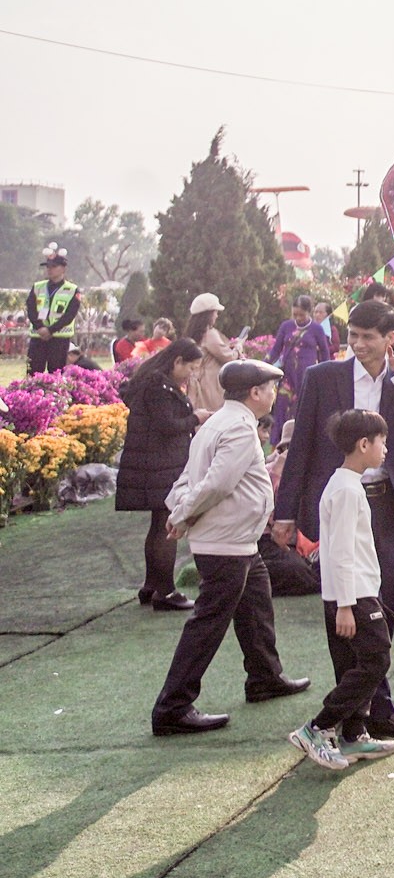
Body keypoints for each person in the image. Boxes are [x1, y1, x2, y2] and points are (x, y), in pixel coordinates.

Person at [273, 298, 394, 740]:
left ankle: (376, 711)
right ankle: (354, 717)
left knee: (381, 606)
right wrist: (285, 513)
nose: (359, 346)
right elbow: (302, 448)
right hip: (340, 503)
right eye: (353, 337)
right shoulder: (322, 377)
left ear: (391, 340)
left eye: (369, 338)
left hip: (386, 503)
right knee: (347, 611)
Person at [152, 360, 310, 736]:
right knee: (209, 621)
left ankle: (264, 676)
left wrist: (180, 511)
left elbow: (192, 478)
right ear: (254, 393)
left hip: (235, 539)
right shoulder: (238, 429)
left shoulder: (219, 423)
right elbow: (216, 484)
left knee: (255, 599)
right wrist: (182, 514)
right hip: (226, 540)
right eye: (271, 388)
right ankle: (172, 706)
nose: (275, 394)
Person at [288, 409, 394, 771]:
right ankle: (318, 727)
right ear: (363, 444)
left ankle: (353, 735)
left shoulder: (343, 484)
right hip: (353, 596)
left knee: (352, 664)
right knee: (376, 659)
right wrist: (347, 606)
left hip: (349, 594)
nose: (385, 448)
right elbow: (339, 553)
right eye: (381, 441)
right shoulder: (348, 490)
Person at [115, 338, 205, 611]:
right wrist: (196, 418)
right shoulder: (159, 387)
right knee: (167, 526)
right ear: (177, 361)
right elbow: (168, 425)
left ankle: (152, 585)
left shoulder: (151, 382)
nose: (192, 373)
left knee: (158, 525)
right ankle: (165, 591)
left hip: (151, 463)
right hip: (159, 464)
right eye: (190, 367)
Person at [268, 296, 333, 437]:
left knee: (303, 411)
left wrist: (325, 376)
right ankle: (278, 446)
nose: (298, 318)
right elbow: (275, 350)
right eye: (295, 314)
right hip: (287, 377)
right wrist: (262, 365)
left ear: (309, 312)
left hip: (306, 378)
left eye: (301, 315)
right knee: (281, 410)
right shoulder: (286, 326)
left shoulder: (317, 329)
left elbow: (324, 354)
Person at [183, 294, 239, 417]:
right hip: (210, 385)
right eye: (215, 312)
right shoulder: (209, 334)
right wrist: (238, 348)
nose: (217, 316)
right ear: (208, 314)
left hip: (197, 384)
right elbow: (228, 357)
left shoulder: (194, 334)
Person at [27, 247, 81, 374]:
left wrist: (51, 330)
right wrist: (40, 327)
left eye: (54, 266)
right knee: (33, 373)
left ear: (63, 268)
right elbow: (31, 310)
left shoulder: (73, 290)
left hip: (59, 337)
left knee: (56, 374)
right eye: (48, 267)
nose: (50, 269)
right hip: (38, 336)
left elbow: (70, 314)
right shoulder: (37, 287)